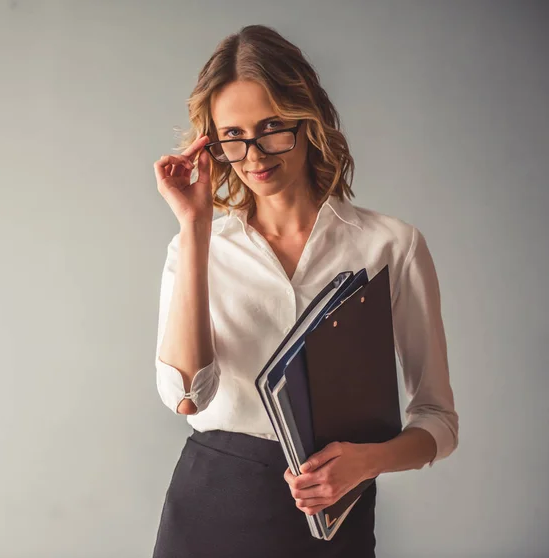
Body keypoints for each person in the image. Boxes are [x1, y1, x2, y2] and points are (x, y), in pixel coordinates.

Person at [151, 24, 459, 558]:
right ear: (213, 142)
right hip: (211, 510)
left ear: (307, 118)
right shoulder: (196, 246)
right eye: (233, 135)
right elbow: (186, 397)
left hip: (335, 517)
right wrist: (195, 228)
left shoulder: (392, 245)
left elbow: (439, 421)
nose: (253, 154)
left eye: (272, 126)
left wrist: (366, 462)